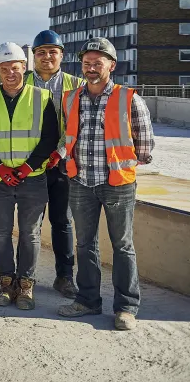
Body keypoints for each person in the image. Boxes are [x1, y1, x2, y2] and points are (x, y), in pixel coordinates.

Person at [57, 38, 154, 331]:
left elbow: (145, 145)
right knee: (85, 244)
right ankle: (88, 301)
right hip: (81, 181)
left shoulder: (129, 98)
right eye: (86, 62)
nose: (90, 67)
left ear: (111, 65)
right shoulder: (71, 98)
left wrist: (123, 163)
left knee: (122, 245)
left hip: (117, 184)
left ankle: (126, 307)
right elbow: (68, 137)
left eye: (97, 62)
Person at [0, 43, 59, 311]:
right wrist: (1, 168)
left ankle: (26, 285)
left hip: (33, 178)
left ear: (24, 68)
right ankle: (6, 283)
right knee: (2, 233)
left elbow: (50, 137)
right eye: (4, 69)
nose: (10, 73)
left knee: (30, 234)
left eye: (14, 68)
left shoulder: (42, 97)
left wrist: (26, 168)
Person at [28, 29, 86, 299]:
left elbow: (80, 125)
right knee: (30, 225)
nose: (47, 56)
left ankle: (64, 276)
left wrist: (61, 153)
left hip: (63, 167)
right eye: (41, 52)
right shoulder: (22, 82)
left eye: (53, 51)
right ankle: (25, 277)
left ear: (62, 55)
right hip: (29, 166)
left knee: (62, 222)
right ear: (34, 56)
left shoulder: (77, 85)